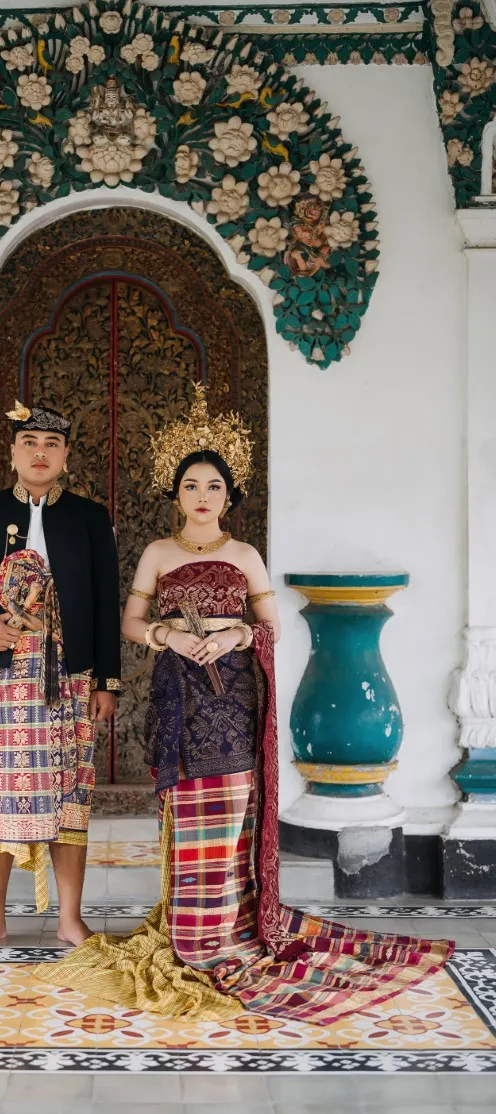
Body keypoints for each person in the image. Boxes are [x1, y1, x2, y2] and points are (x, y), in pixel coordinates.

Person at [38, 384, 452, 1025]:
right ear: (175, 494)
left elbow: (271, 627)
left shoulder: (244, 555)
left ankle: (230, 933)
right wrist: (168, 636)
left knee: (233, 814)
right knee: (185, 816)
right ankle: (189, 932)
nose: (201, 496)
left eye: (213, 486)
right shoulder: (158, 554)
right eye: (190, 486)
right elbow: (130, 624)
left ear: (228, 496)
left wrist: (235, 635)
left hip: (232, 699)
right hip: (178, 699)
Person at [0, 400, 120, 953]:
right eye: (30, 443)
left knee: (70, 796)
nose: (41, 453)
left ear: (66, 455)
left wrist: (107, 681)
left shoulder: (89, 517)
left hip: (70, 675)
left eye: (52, 444)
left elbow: (106, 602)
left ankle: (70, 919)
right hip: (1, 677)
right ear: (12, 453)